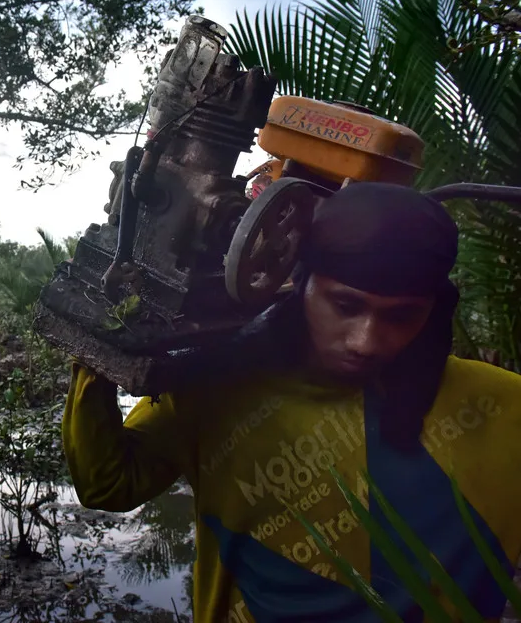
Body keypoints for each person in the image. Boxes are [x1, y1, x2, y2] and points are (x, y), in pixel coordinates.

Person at [62, 182, 521, 622]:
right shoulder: (218, 383)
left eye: (402, 316)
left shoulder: (505, 407)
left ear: (435, 310)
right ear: (302, 285)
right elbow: (110, 485)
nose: (365, 341)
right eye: (346, 306)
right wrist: (98, 351)